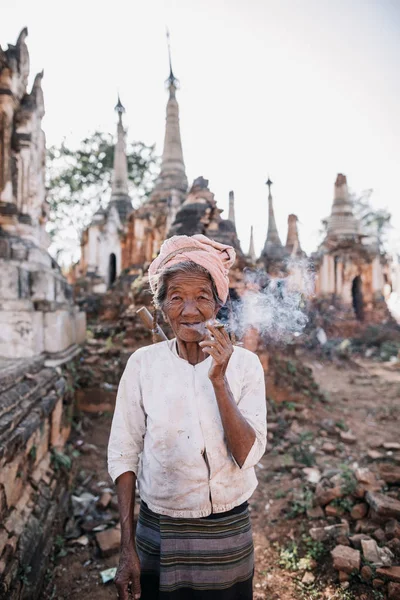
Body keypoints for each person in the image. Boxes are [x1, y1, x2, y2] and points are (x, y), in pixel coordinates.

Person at [108, 234, 267, 600]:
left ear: (218, 305)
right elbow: (123, 453)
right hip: (159, 527)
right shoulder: (142, 365)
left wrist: (219, 380)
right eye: (176, 297)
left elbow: (245, 454)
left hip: (227, 527)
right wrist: (126, 547)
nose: (190, 311)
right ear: (162, 305)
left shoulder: (244, 365)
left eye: (202, 298)